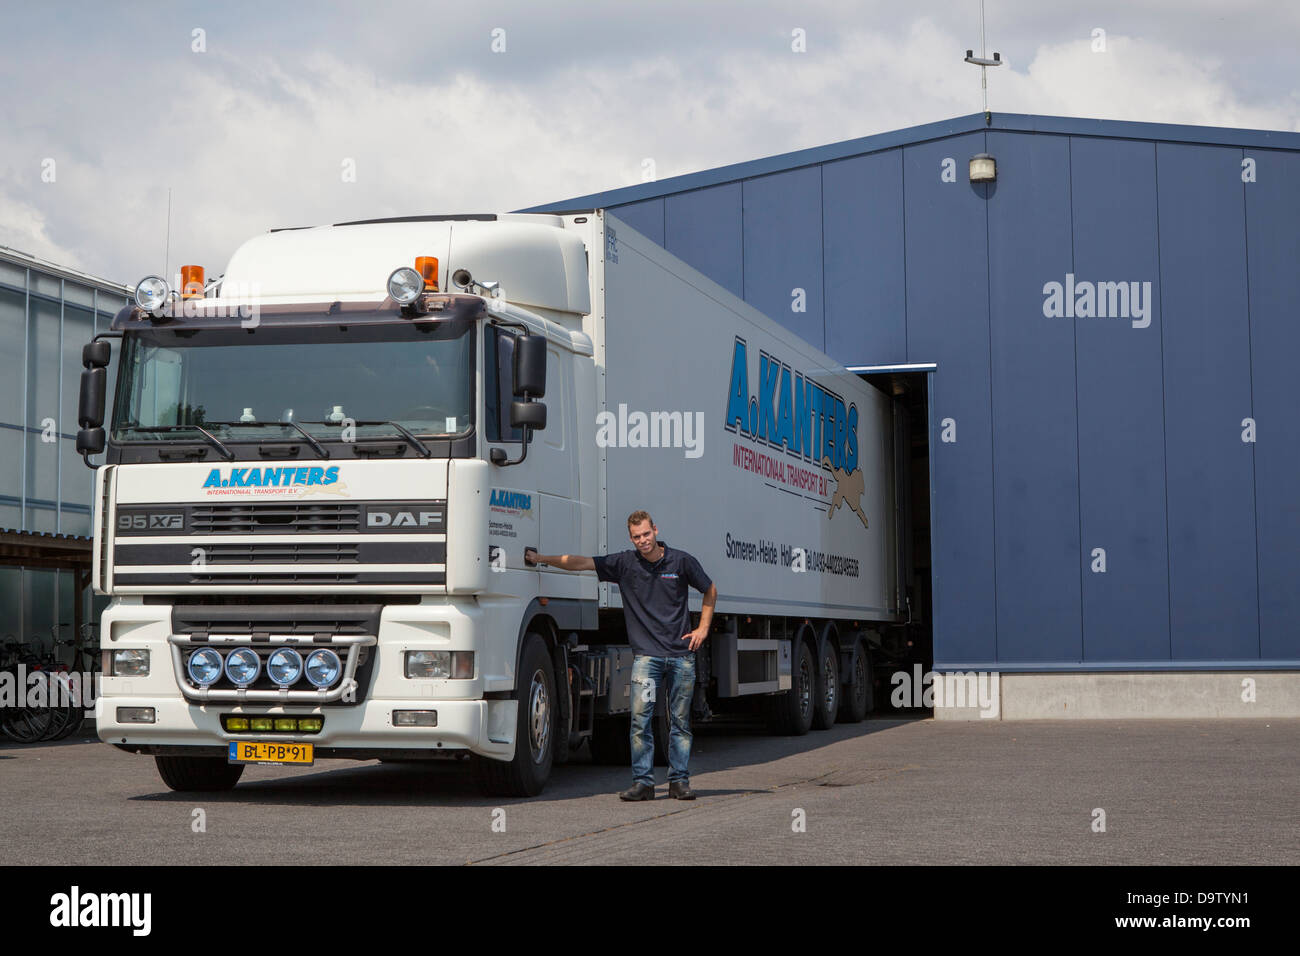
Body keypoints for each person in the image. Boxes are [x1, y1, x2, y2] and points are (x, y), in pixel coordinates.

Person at [525, 510, 716, 801]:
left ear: (655, 530)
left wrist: (703, 628)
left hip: (680, 657)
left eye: (646, 534)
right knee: (641, 721)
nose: (643, 541)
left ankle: (679, 781)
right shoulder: (625, 563)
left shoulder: (681, 561)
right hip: (647, 660)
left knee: (679, 721)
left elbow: (709, 589)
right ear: (631, 538)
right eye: (637, 537)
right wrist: (542, 560)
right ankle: (644, 783)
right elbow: (581, 563)